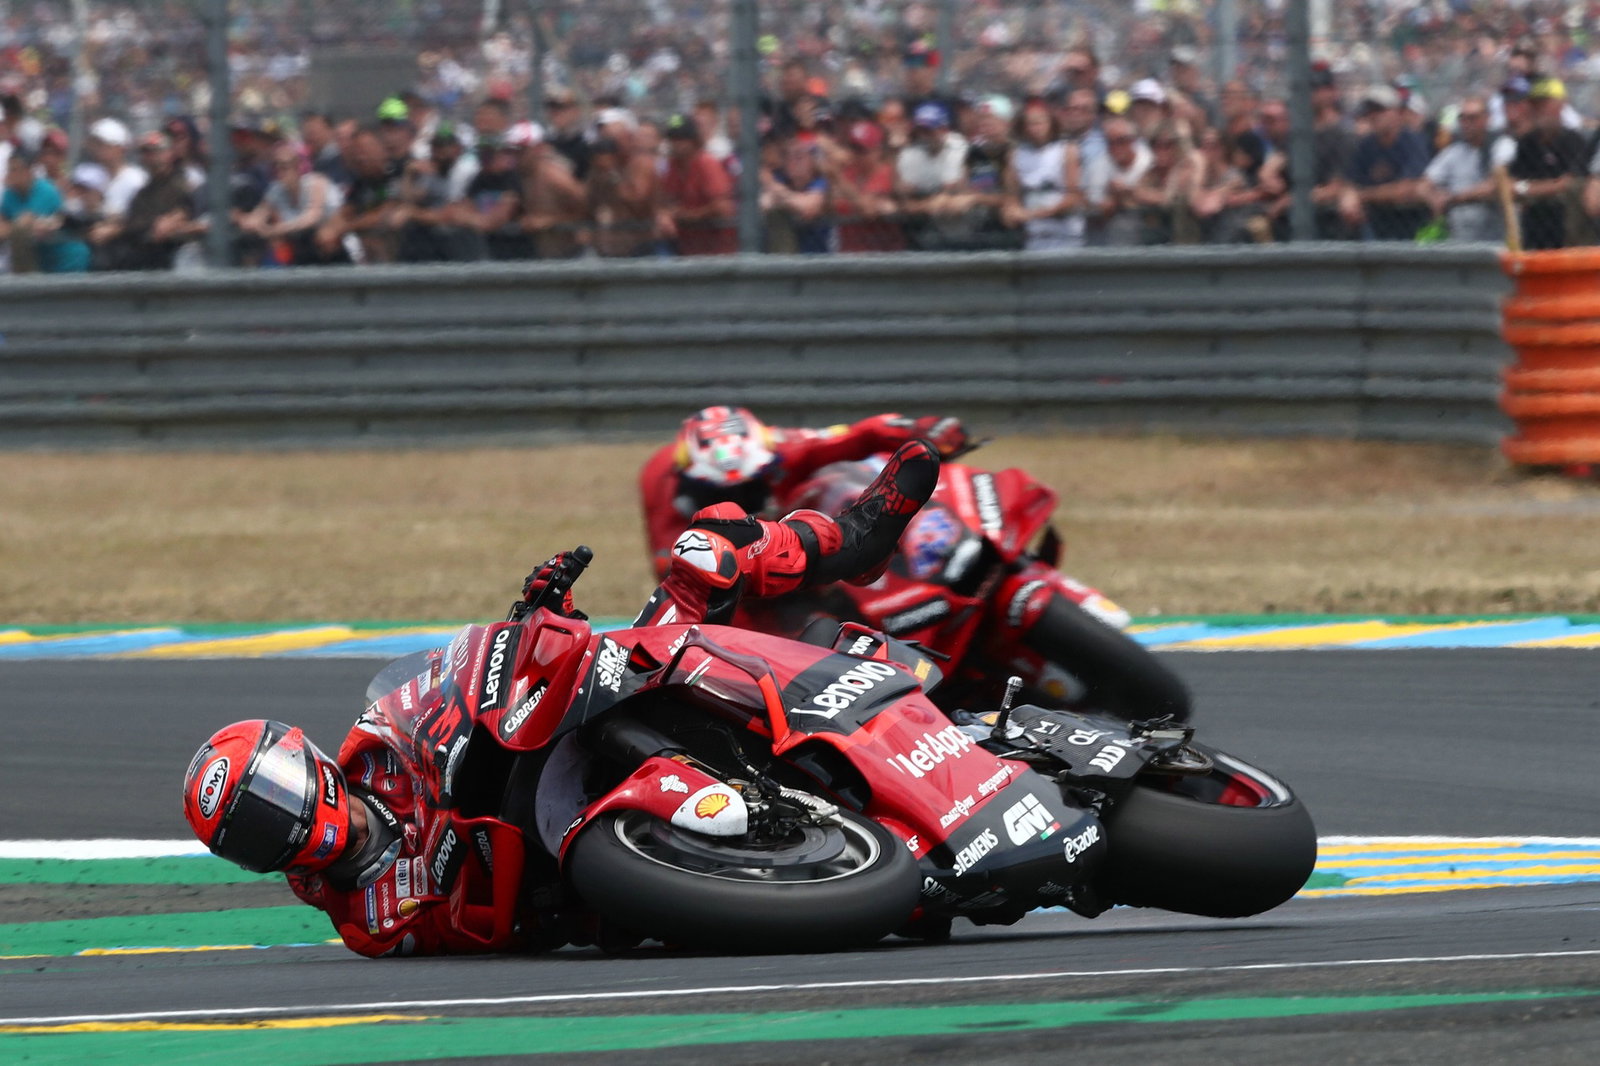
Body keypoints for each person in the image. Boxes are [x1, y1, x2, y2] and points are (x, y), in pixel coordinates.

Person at [182, 439, 942, 958]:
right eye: (253, 834)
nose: (277, 826)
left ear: (303, 764)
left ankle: (857, 538)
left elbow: (456, 691)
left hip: (556, 741)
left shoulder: (374, 747)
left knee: (709, 546)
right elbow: (473, 925)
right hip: (588, 885)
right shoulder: (364, 920)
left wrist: (534, 623)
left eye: (270, 801)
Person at [639, 406, 968, 580]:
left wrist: (920, 430)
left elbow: (859, 435)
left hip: (790, 541)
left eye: (747, 487)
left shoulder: (787, 448)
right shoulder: (661, 486)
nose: (735, 502)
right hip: (749, 578)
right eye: (718, 492)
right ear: (688, 481)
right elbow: (673, 578)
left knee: (837, 480)